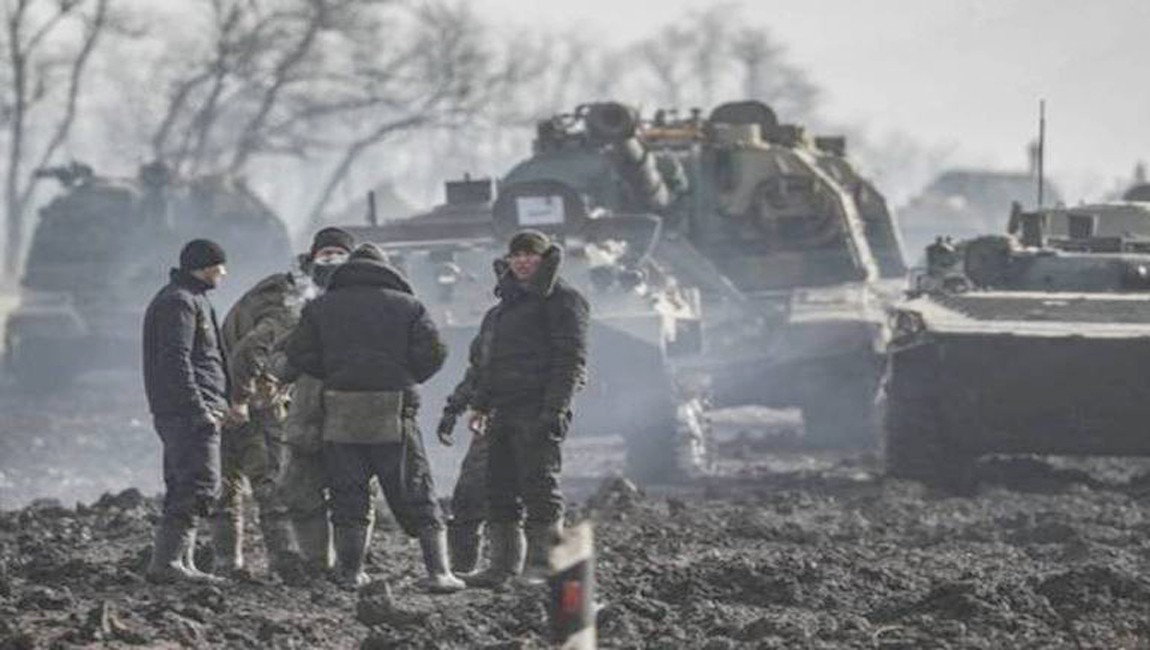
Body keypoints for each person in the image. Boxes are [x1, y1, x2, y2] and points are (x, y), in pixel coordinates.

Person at [285, 243, 464, 593]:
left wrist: (335, 373)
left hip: (341, 409)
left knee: (348, 494)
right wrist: (404, 376)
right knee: (416, 489)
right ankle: (439, 573)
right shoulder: (408, 305)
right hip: (394, 409)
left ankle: (350, 573)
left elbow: (299, 353)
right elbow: (435, 353)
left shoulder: (321, 307)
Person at [210, 227, 355, 577]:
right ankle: (285, 563)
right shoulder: (291, 303)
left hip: (221, 392)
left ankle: (227, 563)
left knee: (226, 485)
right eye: (328, 253)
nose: (333, 261)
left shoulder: (279, 288)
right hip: (255, 400)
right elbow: (249, 352)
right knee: (273, 482)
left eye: (340, 254)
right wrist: (243, 399)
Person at [459, 229, 590, 588]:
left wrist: (555, 410)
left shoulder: (564, 300)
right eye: (516, 255)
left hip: (539, 407)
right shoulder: (505, 305)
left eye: (530, 254)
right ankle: (502, 567)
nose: (522, 261)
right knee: (498, 486)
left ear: (545, 259)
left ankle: (544, 566)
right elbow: (491, 361)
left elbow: (570, 360)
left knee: (539, 486)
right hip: (502, 409)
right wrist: (480, 404)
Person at [142, 239, 246, 583]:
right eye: (219, 266)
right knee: (196, 484)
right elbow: (176, 361)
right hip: (187, 413)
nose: (224, 273)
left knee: (186, 483)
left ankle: (180, 562)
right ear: (204, 266)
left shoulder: (192, 299)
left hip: (194, 409)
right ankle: (168, 563)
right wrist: (199, 409)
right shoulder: (179, 302)